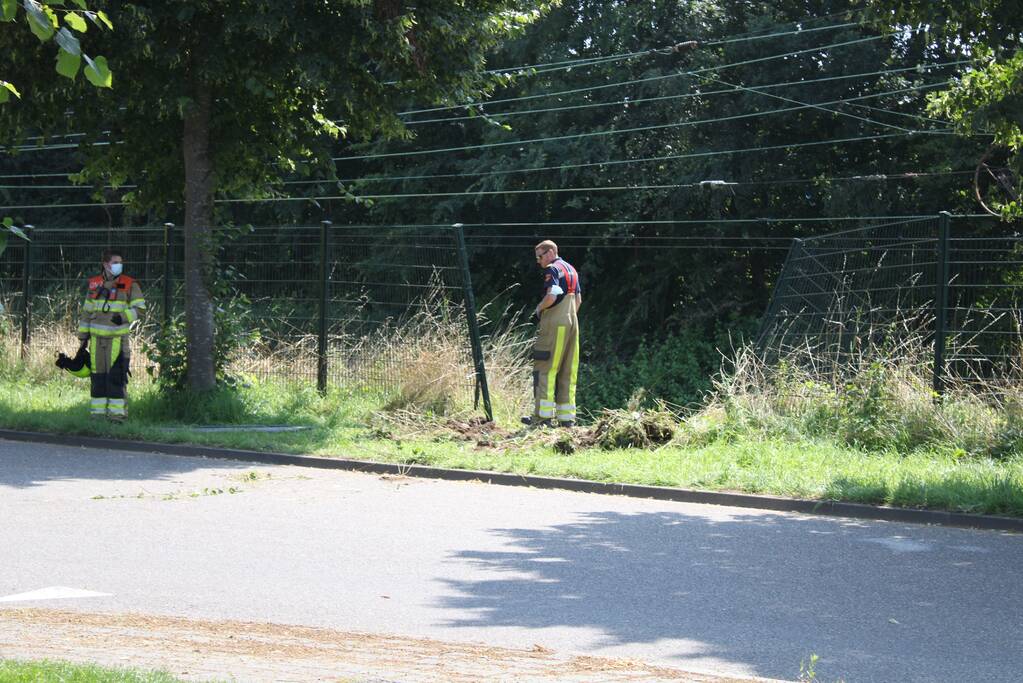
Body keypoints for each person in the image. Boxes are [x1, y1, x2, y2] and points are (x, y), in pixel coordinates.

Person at [76, 249, 145, 421]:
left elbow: (140, 309)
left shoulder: (129, 284)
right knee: (98, 378)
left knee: (116, 377)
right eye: (115, 262)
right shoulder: (94, 284)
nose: (118, 266)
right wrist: (83, 337)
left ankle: (117, 418)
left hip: (118, 340)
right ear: (105, 264)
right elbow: (86, 312)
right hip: (96, 342)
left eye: (119, 262)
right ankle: (97, 417)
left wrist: (123, 317)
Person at [523, 240, 582, 428]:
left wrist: (540, 308)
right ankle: (566, 419)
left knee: (545, 368)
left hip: (555, 324)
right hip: (573, 322)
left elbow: (551, 296)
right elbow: (578, 300)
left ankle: (542, 418)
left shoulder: (552, 269)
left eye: (540, 256)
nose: (539, 261)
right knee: (568, 370)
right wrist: (567, 317)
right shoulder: (571, 269)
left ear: (550, 253)